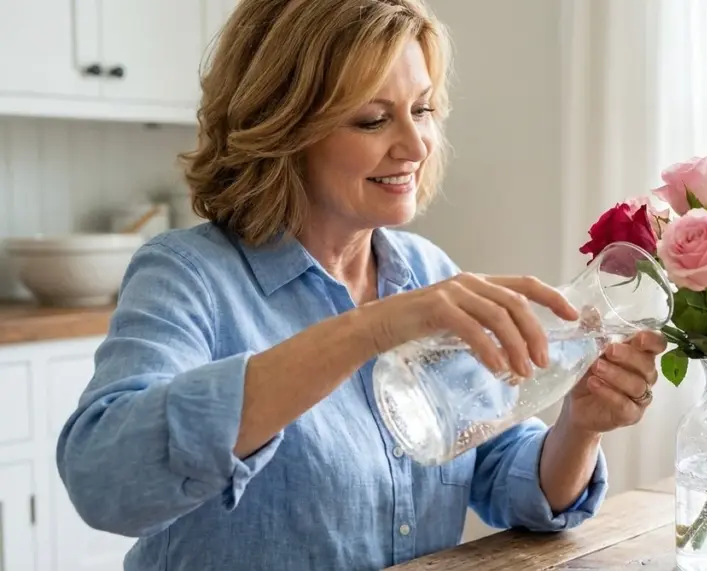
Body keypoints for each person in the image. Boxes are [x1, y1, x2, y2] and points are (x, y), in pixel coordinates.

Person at [55, 0, 667, 569]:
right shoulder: (189, 275)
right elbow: (105, 482)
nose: (416, 144)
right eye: (373, 119)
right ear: (282, 128)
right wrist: (370, 328)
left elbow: (502, 473)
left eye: (422, 109)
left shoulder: (426, 272)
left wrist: (580, 425)